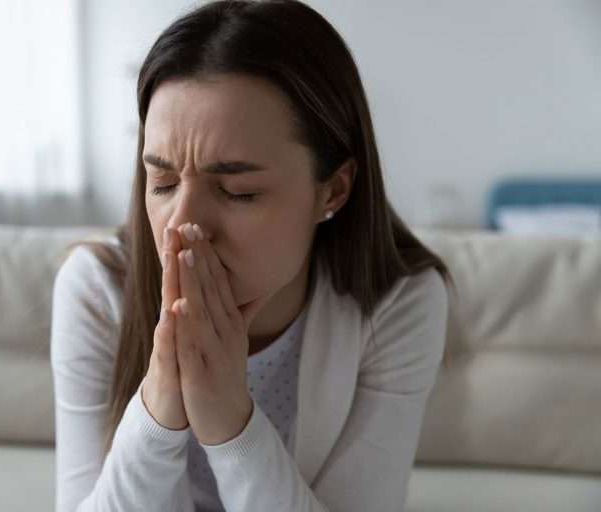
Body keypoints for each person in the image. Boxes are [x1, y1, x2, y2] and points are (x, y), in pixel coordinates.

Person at [50, 1, 454, 510]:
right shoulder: (95, 288)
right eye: (163, 181)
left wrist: (229, 422)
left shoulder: (399, 301)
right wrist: (158, 406)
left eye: (239, 191)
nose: (181, 225)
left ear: (333, 190)